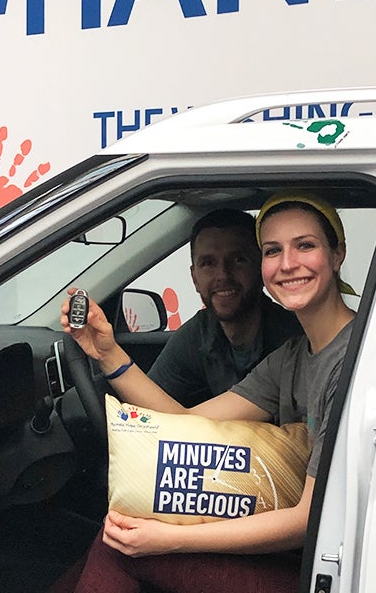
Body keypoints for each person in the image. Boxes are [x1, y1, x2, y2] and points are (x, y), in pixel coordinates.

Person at [57, 192, 357, 593]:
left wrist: (167, 538)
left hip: (324, 568)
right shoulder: (293, 357)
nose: (288, 264)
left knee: (123, 547)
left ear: (337, 254)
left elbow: (307, 520)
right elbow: (188, 424)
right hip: (300, 554)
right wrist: (107, 354)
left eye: (305, 246)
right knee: (121, 535)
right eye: (273, 250)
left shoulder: (354, 359)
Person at [147, 208, 303, 407]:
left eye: (238, 260)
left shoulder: (293, 340)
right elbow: (146, 411)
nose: (223, 275)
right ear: (194, 278)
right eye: (208, 263)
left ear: (261, 268)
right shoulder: (199, 333)